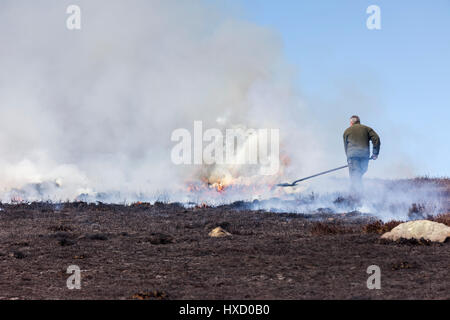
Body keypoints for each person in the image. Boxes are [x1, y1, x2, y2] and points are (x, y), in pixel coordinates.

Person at [343, 115, 380, 192]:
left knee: (355, 175)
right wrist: (375, 153)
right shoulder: (367, 129)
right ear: (359, 121)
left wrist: (348, 157)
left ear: (351, 123)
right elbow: (376, 139)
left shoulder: (346, 131)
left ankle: (355, 195)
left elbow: (345, 146)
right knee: (359, 173)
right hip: (364, 156)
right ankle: (357, 194)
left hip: (352, 157)